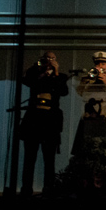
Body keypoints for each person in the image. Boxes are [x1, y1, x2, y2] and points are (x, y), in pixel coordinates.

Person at [20, 51, 69, 197]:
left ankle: (49, 187)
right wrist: (39, 70)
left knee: (49, 158)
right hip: (34, 119)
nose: (49, 61)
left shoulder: (60, 77)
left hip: (50, 121)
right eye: (47, 59)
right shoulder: (35, 73)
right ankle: (26, 188)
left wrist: (56, 72)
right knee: (30, 156)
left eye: (52, 59)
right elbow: (28, 81)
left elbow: (63, 91)